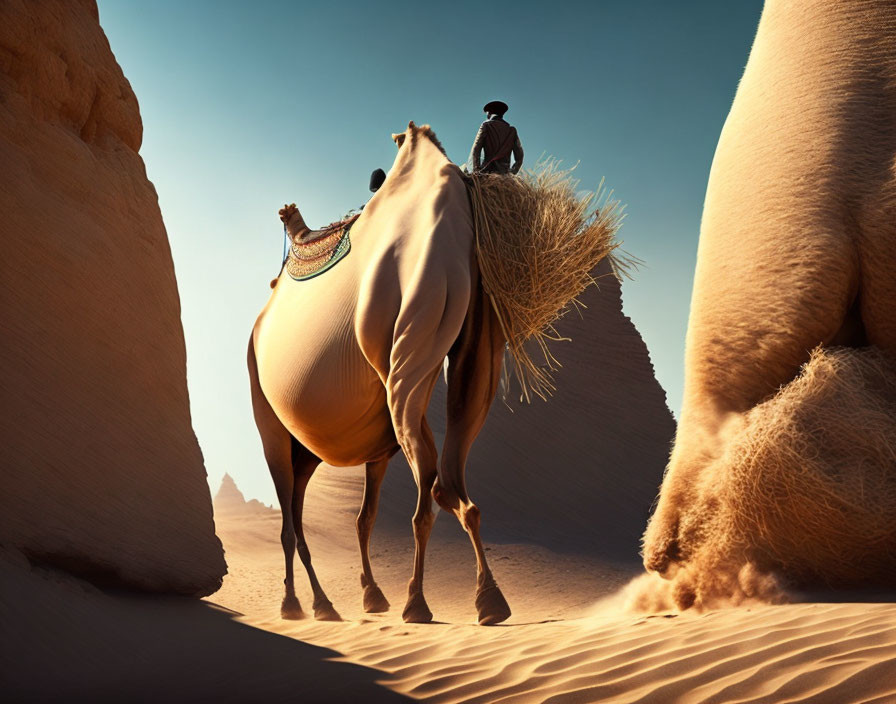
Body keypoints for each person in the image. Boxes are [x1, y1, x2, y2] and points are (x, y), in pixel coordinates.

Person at [469, 100, 524, 174]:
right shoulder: (512, 130)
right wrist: (512, 173)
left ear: (489, 113)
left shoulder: (486, 125)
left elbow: (476, 149)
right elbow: (519, 156)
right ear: (502, 114)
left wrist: (477, 170)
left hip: (487, 172)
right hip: (504, 174)